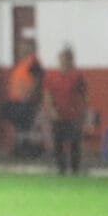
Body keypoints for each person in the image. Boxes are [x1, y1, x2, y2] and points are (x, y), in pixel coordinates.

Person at [44, 46, 87, 175]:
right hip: (57, 115)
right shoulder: (51, 77)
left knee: (74, 143)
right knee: (58, 142)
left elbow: (83, 96)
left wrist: (82, 113)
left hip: (73, 115)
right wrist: (51, 110)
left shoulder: (77, 76)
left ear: (71, 60)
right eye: (63, 59)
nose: (65, 62)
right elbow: (47, 95)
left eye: (68, 59)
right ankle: (60, 168)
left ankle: (75, 168)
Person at [3, 42, 44, 157]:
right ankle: (20, 148)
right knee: (19, 126)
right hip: (17, 100)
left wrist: (28, 96)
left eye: (25, 48)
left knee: (25, 127)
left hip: (26, 101)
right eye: (21, 48)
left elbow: (37, 81)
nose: (22, 50)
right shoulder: (23, 63)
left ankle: (27, 149)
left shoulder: (33, 63)